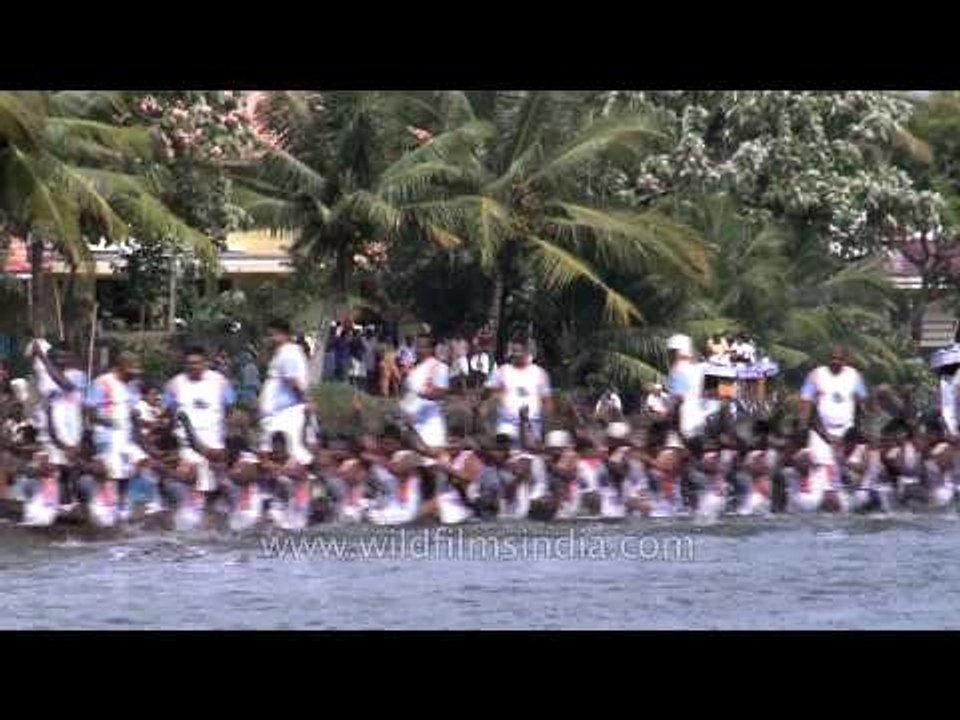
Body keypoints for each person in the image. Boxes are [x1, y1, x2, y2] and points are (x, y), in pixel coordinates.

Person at [796, 345, 867, 512]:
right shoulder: (815, 375)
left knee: (848, 469)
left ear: (846, 360)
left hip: (846, 432)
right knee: (819, 468)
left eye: (839, 358)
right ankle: (816, 497)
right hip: (820, 433)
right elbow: (805, 402)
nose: (836, 361)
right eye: (833, 358)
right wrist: (804, 427)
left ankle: (846, 500)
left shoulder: (854, 376)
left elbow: (863, 404)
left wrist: (858, 433)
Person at [164, 346, 236, 510]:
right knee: (190, 483)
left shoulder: (220, 381)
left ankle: (216, 516)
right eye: (189, 363)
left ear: (205, 363)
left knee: (214, 487)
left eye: (197, 363)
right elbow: (169, 413)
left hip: (214, 444)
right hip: (186, 447)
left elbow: (230, 410)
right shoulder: (174, 384)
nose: (193, 366)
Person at [84, 350, 148, 523]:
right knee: (111, 473)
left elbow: (133, 413)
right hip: (107, 437)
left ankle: (121, 506)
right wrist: (107, 421)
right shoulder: (102, 382)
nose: (135, 374)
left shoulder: (133, 385)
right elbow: (89, 412)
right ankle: (103, 507)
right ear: (121, 366)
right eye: (132, 370)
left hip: (126, 437)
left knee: (134, 468)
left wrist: (138, 425)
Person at [259, 318, 312, 467]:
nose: (270, 339)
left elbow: (293, 380)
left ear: (285, 335)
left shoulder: (288, 352)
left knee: (291, 455)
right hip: (277, 415)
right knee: (276, 455)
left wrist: (307, 400)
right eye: (268, 335)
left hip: (286, 413)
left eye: (273, 335)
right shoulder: (281, 353)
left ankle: (312, 480)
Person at [400, 333, 450, 450]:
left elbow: (440, 393)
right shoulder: (414, 368)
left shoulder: (439, 367)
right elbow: (408, 394)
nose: (418, 350)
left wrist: (418, 392)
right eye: (417, 346)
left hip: (429, 430)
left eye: (422, 347)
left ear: (431, 349)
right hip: (410, 427)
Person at [666, 334, 706, 440]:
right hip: (700, 419)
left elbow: (679, 397)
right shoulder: (699, 369)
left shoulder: (677, 370)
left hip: (684, 421)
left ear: (675, 352)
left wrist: (669, 415)